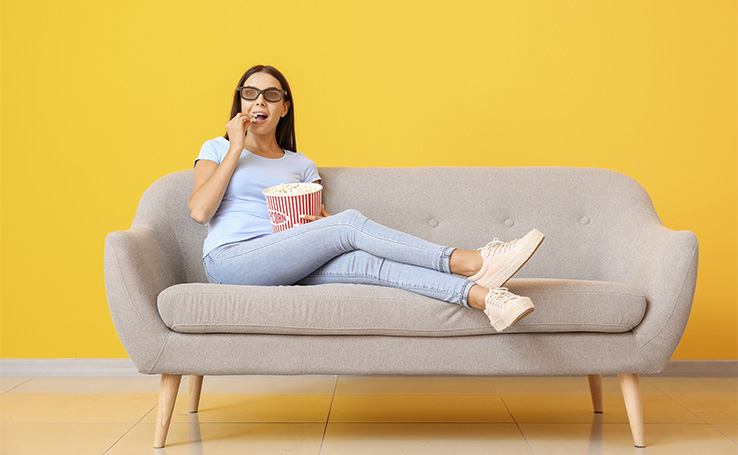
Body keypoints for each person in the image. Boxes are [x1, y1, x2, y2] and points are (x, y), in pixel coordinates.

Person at [188, 64, 545, 332]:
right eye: (250, 93)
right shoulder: (218, 148)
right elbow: (200, 211)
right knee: (349, 224)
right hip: (231, 261)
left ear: (284, 107)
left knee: (369, 264)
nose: (260, 101)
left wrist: (322, 225)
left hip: (289, 258)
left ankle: (487, 299)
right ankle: (470, 261)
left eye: (272, 95)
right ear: (239, 101)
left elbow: (322, 223)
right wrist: (236, 146)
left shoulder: (301, 164)